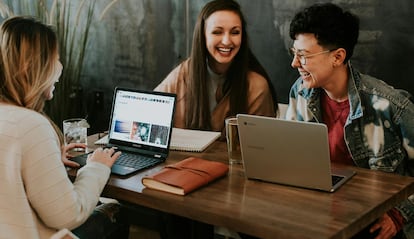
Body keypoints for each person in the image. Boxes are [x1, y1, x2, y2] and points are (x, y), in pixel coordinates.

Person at [286, 3, 414, 239]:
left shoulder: (389, 105)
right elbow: (292, 158)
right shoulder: (300, 92)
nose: (294, 63)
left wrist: (399, 214)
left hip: (371, 222)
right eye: (293, 53)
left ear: (338, 57)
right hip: (319, 215)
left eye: (303, 55)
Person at [0, 16, 129, 238]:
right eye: (55, 60)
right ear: (30, 67)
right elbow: (68, 215)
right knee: (116, 213)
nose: (60, 68)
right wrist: (96, 167)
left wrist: (46, 160)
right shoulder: (30, 125)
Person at [154, 0, 278, 137]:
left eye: (235, 32)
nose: (226, 41)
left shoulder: (256, 86)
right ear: (203, 35)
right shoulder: (183, 73)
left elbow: (261, 145)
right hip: (185, 158)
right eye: (217, 32)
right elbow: (149, 113)